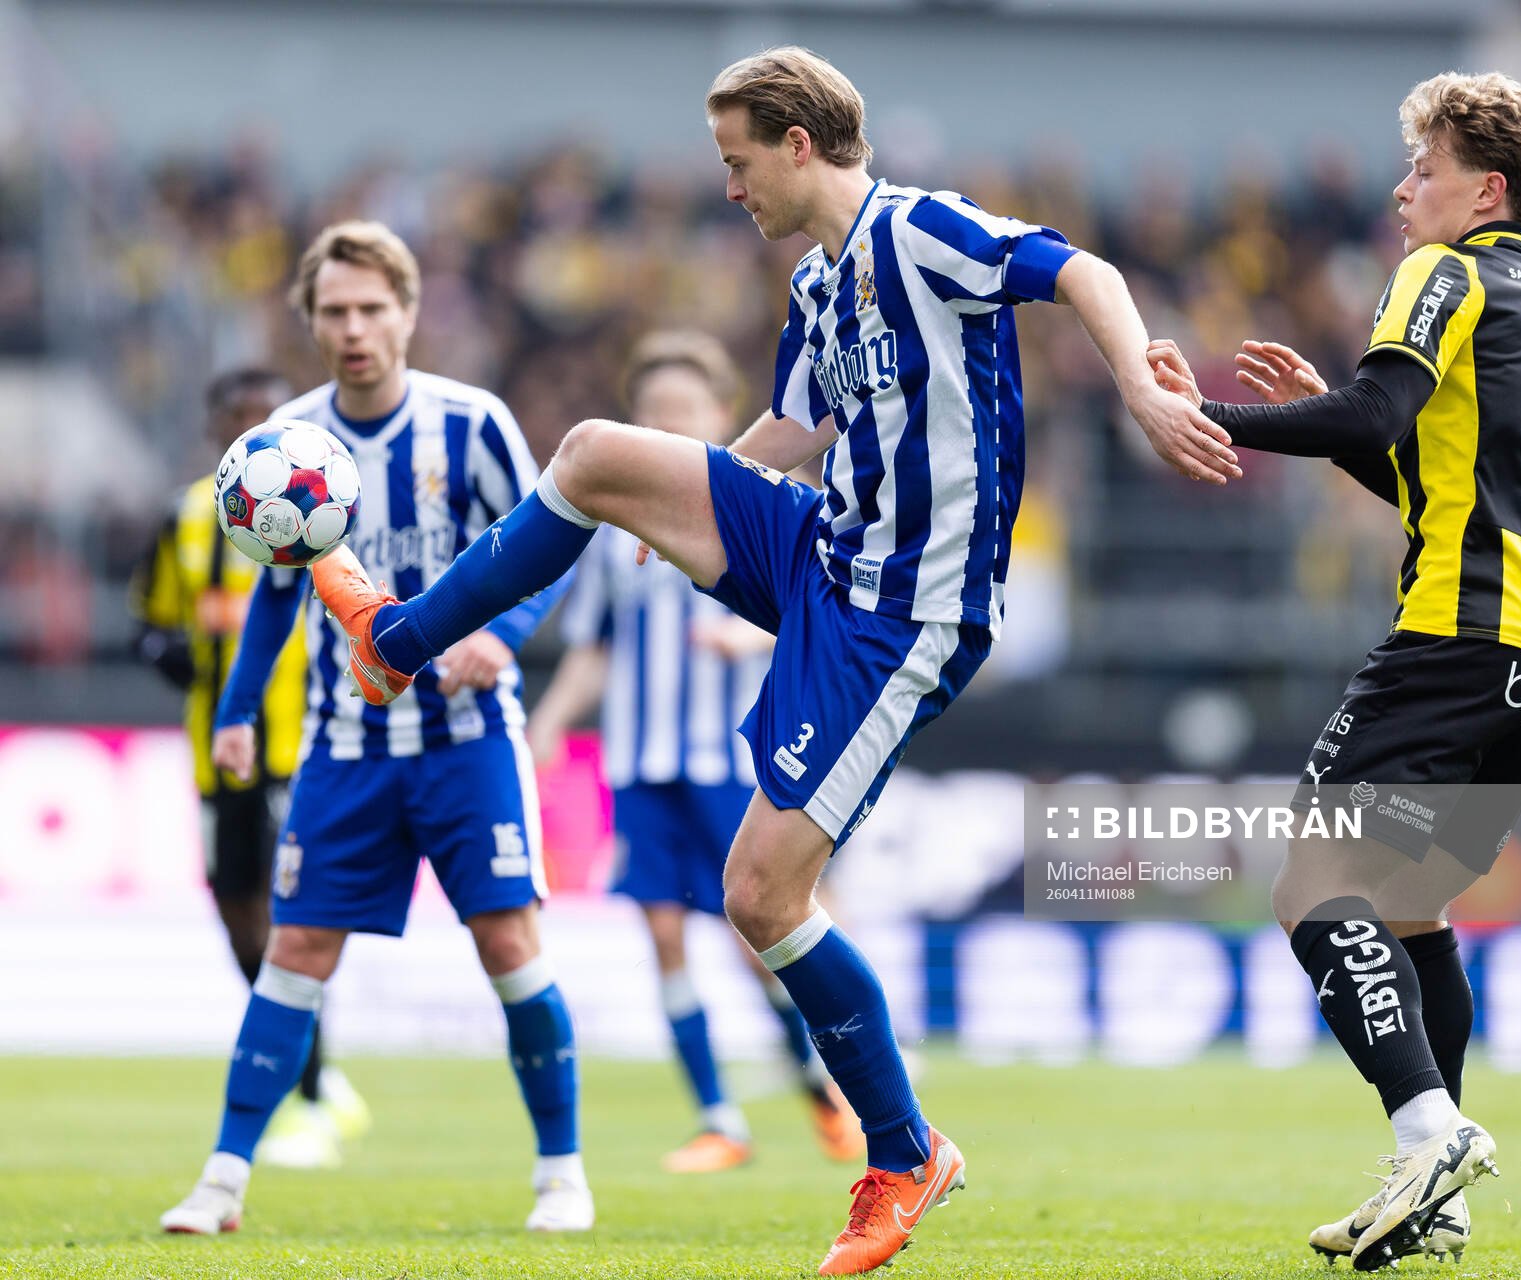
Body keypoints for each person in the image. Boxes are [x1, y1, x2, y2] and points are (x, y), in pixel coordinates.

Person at [312, 48, 1235, 1274]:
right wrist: (674, 503)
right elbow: (789, 435)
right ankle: (398, 642)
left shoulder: (923, 232)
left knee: (760, 895)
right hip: (819, 548)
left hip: (905, 612)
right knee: (593, 454)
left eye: (738, 161)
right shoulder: (816, 285)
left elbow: (1084, 270)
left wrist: (1141, 388)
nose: (731, 187)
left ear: (799, 143)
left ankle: (905, 1152)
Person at [1149, 72, 1521, 1269]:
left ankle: (1431, 1129)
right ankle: (1436, 1191)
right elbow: (1437, 475)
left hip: (1460, 635)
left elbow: (1376, 414)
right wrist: (1342, 416)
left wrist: (1206, 413)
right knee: (1410, 910)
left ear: (1485, 187)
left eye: (1424, 168)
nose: (1405, 191)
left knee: (1308, 886)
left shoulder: (1447, 269)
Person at [159, 221, 588, 1236]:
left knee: (509, 940)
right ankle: (221, 1177)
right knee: (295, 945)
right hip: (342, 745)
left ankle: (562, 1171)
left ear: (406, 311)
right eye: (334, 312)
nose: (353, 328)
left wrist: (506, 635)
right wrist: (233, 709)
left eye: (370, 308)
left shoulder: (472, 423)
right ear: (309, 321)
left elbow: (552, 546)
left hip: (467, 734)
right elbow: (275, 590)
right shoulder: (286, 442)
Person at [527, 330, 861, 1173]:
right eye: (654, 412)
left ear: (721, 416)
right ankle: (720, 1119)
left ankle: (827, 1095)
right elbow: (595, 647)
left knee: (761, 947)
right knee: (664, 937)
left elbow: (833, 618)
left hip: (731, 760)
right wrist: (549, 723)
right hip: (640, 763)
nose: (668, 423)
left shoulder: (771, 505)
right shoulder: (612, 523)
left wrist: (747, 646)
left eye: (684, 410)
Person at [130, 368, 369, 1170]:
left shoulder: (330, 505)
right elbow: (152, 618)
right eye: (236, 418)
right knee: (236, 914)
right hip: (217, 753)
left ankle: (312, 1091)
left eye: (264, 416)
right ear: (216, 430)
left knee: (289, 918)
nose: (252, 428)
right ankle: (312, 1073)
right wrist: (160, 650)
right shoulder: (188, 517)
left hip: (299, 749)